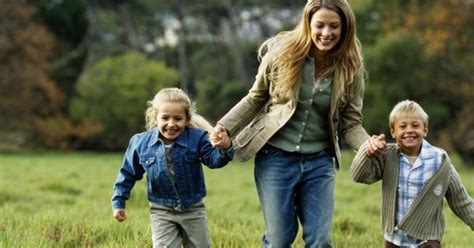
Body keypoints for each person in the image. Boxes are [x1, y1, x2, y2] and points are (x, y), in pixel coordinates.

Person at [212, 0, 384, 246]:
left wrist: (368, 145)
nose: (327, 33)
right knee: (279, 239)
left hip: (319, 162)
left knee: (320, 240)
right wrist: (224, 127)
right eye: (320, 25)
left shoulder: (351, 68)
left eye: (334, 26)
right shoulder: (282, 54)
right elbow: (255, 98)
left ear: (345, 28)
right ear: (308, 24)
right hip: (275, 158)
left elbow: (350, 123)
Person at [111, 87, 233, 248]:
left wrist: (224, 149)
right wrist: (119, 201)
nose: (171, 124)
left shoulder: (197, 138)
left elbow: (214, 161)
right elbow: (127, 174)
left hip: (193, 209)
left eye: (177, 118)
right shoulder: (141, 143)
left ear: (187, 118)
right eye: (165, 118)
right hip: (161, 210)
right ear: (155, 117)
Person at [351, 100, 474, 248]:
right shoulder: (387, 156)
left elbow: (461, 201)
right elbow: (358, 176)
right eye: (402, 126)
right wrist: (367, 151)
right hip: (394, 239)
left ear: (425, 130)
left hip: (428, 241)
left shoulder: (440, 161)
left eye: (415, 125)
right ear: (393, 132)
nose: (409, 130)